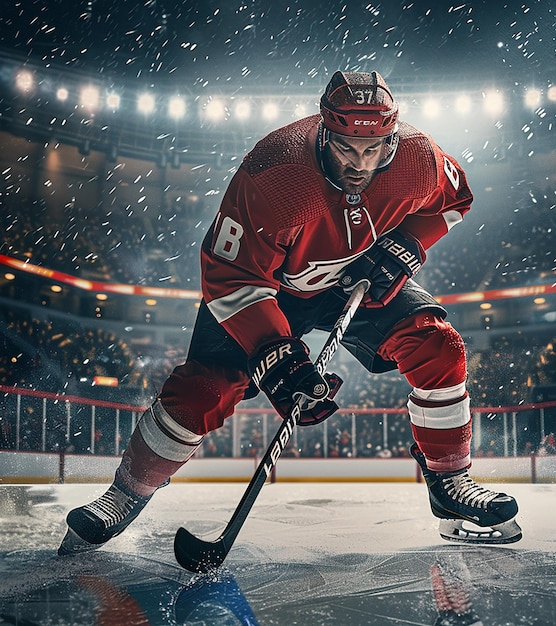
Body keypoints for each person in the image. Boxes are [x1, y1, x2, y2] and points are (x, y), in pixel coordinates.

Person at [58, 70, 521, 555]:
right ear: (324, 131)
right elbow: (231, 276)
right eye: (346, 149)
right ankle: (125, 493)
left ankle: (450, 484)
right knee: (203, 391)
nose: (360, 164)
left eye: (374, 149)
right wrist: (276, 352)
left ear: (392, 136)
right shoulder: (273, 174)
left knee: (438, 345)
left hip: (351, 279)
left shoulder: (418, 158)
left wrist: (407, 243)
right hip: (265, 290)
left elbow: (455, 199)